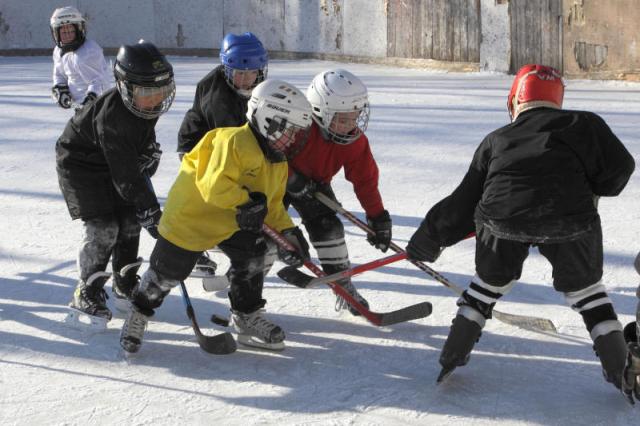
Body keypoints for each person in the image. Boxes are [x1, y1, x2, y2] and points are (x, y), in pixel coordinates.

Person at [405, 64, 636, 401]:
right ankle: (618, 366)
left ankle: (453, 353)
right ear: (558, 99)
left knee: (489, 283)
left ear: (514, 101)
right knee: (586, 290)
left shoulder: (496, 139)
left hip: (501, 220)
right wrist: (591, 185)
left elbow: (464, 200)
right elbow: (620, 169)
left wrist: (428, 238)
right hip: (570, 220)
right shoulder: (584, 123)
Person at [120, 79, 312, 354]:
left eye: (297, 132)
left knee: (255, 254)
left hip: (233, 221)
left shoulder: (278, 160)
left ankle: (246, 315)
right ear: (269, 120)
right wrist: (247, 203)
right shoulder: (232, 141)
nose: (294, 138)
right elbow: (213, 186)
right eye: (290, 130)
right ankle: (139, 311)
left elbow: (272, 204)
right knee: (167, 273)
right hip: (192, 218)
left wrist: (288, 233)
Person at [57, 41, 175, 328]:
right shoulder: (113, 116)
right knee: (105, 227)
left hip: (113, 160)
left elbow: (134, 163)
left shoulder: (144, 103)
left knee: (131, 222)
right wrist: (149, 209)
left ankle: (124, 285)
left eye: (161, 91)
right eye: (148, 92)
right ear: (125, 85)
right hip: (81, 165)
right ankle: (87, 291)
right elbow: (125, 176)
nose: (156, 99)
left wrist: (149, 157)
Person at [285, 69, 392, 316]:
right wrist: (290, 178)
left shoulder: (354, 141)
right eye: (343, 120)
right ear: (320, 111)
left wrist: (377, 217)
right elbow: (268, 155)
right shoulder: (296, 126)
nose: (351, 126)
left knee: (330, 229)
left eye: (355, 118)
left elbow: (365, 181)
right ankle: (247, 290)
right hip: (275, 181)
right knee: (272, 238)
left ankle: (343, 288)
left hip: (315, 186)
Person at [177, 32, 268, 287]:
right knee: (207, 202)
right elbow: (234, 146)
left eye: (251, 73)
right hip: (197, 149)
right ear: (227, 67)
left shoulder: (250, 85)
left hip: (220, 144)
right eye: (238, 73)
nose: (245, 79)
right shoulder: (219, 98)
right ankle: (192, 250)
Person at [50, 6, 111, 109]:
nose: (68, 35)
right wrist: (61, 89)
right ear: (56, 34)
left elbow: (99, 81)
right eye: (64, 32)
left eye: (71, 31)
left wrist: (91, 99)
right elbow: (59, 74)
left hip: (98, 107)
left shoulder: (89, 51)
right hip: (78, 107)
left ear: (79, 30)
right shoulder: (59, 51)